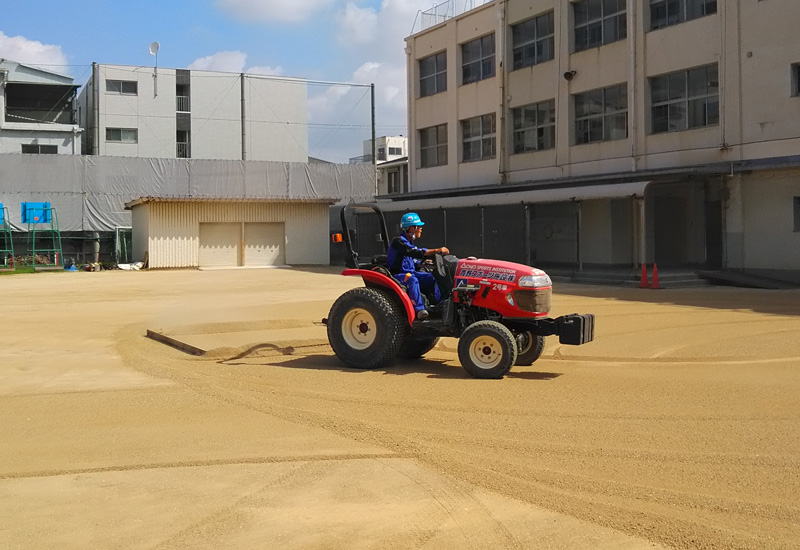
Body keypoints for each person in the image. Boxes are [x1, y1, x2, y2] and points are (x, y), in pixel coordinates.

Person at [386, 212, 450, 320]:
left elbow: (411, 259)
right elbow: (413, 252)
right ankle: (420, 310)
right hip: (398, 275)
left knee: (432, 278)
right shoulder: (399, 241)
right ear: (411, 228)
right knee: (412, 280)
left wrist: (423, 263)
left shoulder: (409, 242)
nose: (421, 229)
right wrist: (437, 250)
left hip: (410, 272)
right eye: (419, 227)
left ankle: (439, 305)